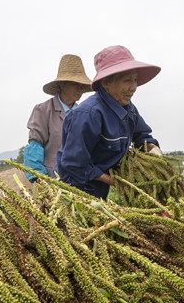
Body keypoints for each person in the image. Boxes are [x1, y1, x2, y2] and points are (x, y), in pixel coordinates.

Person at [56, 45, 161, 199]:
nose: (133, 88)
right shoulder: (89, 114)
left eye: (135, 80)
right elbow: (75, 164)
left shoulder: (128, 109)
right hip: (73, 191)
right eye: (127, 81)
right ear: (106, 83)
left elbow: (142, 137)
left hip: (99, 189)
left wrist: (153, 150)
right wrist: (118, 182)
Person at [24, 54, 93, 181]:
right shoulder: (43, 110)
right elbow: (34, 147)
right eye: (76, 84)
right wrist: (40, 179)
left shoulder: (84, 114)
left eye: (82, 85)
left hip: (79, 181)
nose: (81, 89)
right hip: (52, 180)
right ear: (62, 84)